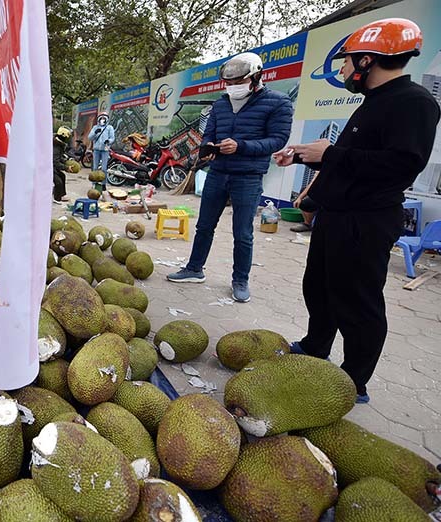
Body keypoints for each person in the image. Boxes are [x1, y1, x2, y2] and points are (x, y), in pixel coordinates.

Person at [274, 18, 439, 404]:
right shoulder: (373, 103)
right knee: (319, 289)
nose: (344, 69)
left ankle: (353, 382)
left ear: (368, 60)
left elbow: (401, 165)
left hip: (366, 221)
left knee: (358, 302)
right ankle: (316, 347)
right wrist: (305, 155)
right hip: (336, 215)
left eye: (347, 62)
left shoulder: (414, 103)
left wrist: (330, 153)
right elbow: (355, 161)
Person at [167, 52, 293, 303]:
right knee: (204, 225)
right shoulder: (221, 104)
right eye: (230, 83)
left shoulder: (278, 102)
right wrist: (209, 148)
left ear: (256, 77)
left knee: (243, 232)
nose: (233, 87)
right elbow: (207, 134)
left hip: (248, 176)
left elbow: (278, 140)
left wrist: (241, 146)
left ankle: (240, 279)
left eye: (239, 82)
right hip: (218, 173)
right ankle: (194, 269)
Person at [88, 112, 115, 198]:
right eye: (101, 118)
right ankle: (94, 183)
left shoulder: (109, 128)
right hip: (96, 150)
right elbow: (90, 137)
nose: (102, 119)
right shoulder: (95, 127)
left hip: (105, 150)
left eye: (104, 118)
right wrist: (95, 133)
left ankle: (103, 184)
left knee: (104, 168)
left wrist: (108, 141)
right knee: (95, 167)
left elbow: (112, 138)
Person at [52, 126, 71, 204]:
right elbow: (55, 162)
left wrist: (66, 161)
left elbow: (59, 158)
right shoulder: (56, 146)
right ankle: (56, 198)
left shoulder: (59, 144)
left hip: (53, 166)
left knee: (62, 176)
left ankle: (62, 195)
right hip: (49, 168)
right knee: (58, 182)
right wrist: (66, 167)